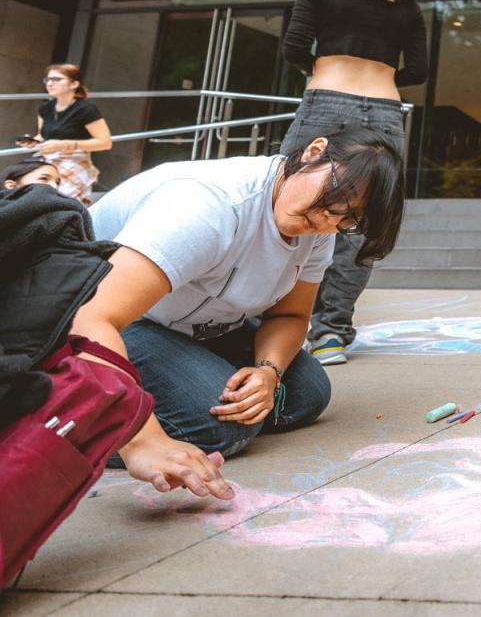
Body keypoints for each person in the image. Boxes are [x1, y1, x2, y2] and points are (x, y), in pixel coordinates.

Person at [73, 128, 404, 492]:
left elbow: (290, 316)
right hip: (102, 320)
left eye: (348, 219)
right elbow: (90, 317)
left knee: (305, 391)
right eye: (335, 198)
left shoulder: (317, 229)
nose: (327, 221)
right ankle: (63, 425)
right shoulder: (209, 206)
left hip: (191, 326)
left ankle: (186, 409)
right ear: (314, 151)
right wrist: (141, 439)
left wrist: (268, 372)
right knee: (219, 426)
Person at [279, 0, 427, 367]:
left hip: (326, 101)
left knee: (286, 199)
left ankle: (272, 320)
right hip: (384, 109)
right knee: (361, 222)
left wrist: (322, 69)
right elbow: (419, 70)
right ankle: (330, 335)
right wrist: (381, 73)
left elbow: (292, 48)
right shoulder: (405, 2)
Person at [19, 63, 112, 203]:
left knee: (57, 203)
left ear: (74, 84)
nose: (50, 84)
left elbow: (105, 142)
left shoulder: (86, 109)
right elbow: (43, 136)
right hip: (47, 161)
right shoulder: (45, 108)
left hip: (74, 163)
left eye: (56, 80)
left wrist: (64, 145)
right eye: (47, 80)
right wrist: (32, 141)